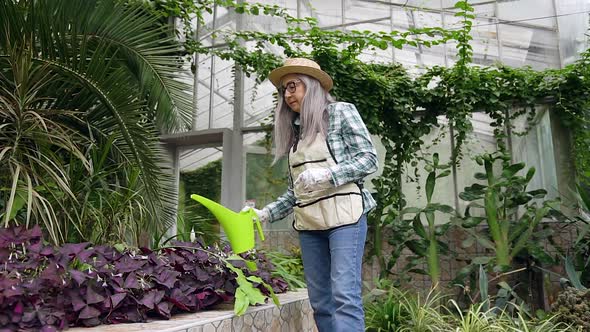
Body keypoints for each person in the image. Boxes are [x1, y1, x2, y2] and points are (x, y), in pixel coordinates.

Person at [244, 58, 378, 332]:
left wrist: (329, 175)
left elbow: (368, 159)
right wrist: (266, 213)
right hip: (310, 224)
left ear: (313, 86)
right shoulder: (297, 132)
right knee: (320, 301)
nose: (288, 94)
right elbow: (298, 190)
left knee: (344, 296)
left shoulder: (340, 112)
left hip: (345, 218)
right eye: (284, 90)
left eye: (293, 86)